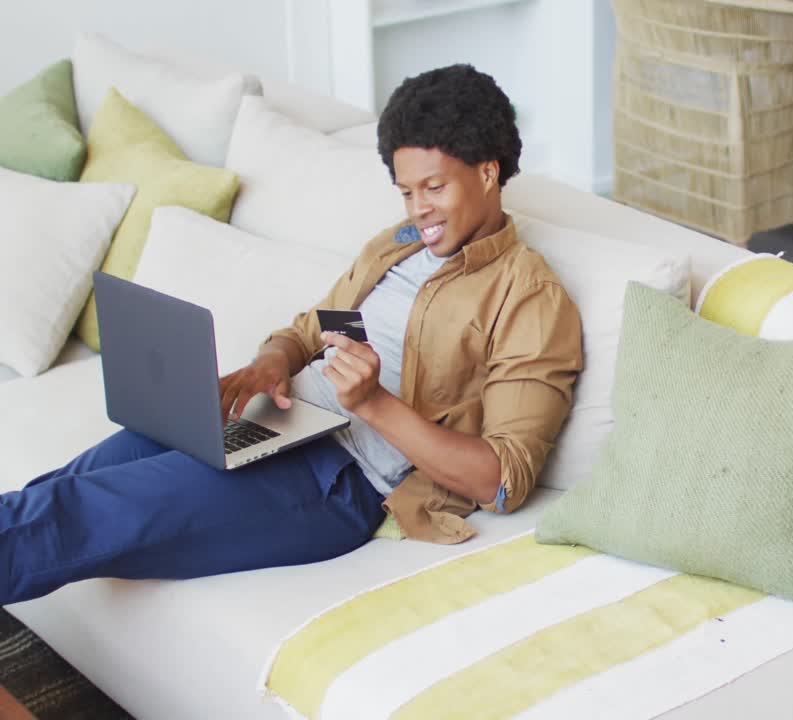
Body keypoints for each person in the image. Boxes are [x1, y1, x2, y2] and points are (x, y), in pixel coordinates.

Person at [0, 65, 584, 606]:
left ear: (487, 170)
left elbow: (502, 481)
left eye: (433, 187)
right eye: (406, 190)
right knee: (61, 489)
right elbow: (318, 327)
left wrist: (374, 404)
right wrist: (274, 360)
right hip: (269, 423)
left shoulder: (528, 296)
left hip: (333, 481)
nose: (419, 209)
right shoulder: (400, 244)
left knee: (74, 512)